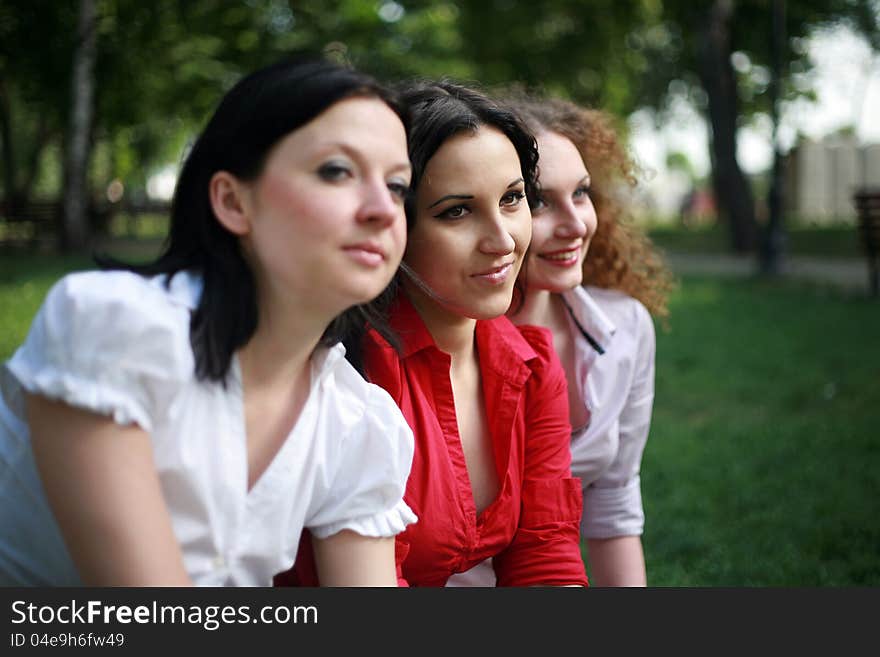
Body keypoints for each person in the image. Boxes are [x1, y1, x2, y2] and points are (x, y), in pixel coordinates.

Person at [0, 57, 418, 586]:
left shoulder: (358, 421)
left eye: (399, 186)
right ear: (232, 200)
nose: (383, 208)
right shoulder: (116, 331)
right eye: (337, 171)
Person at [280, 80, 588, 587]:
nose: (502, 240)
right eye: (457, 211)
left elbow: (544, 550)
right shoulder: (352, 375)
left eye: (512, 199)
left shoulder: (531, 367)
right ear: (394, 227)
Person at [454, 95, 673, 586]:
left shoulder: (624, 328)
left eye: (582, 193)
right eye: (537, 200)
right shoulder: (445, 347)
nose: (576, 224)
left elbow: (612, 501)